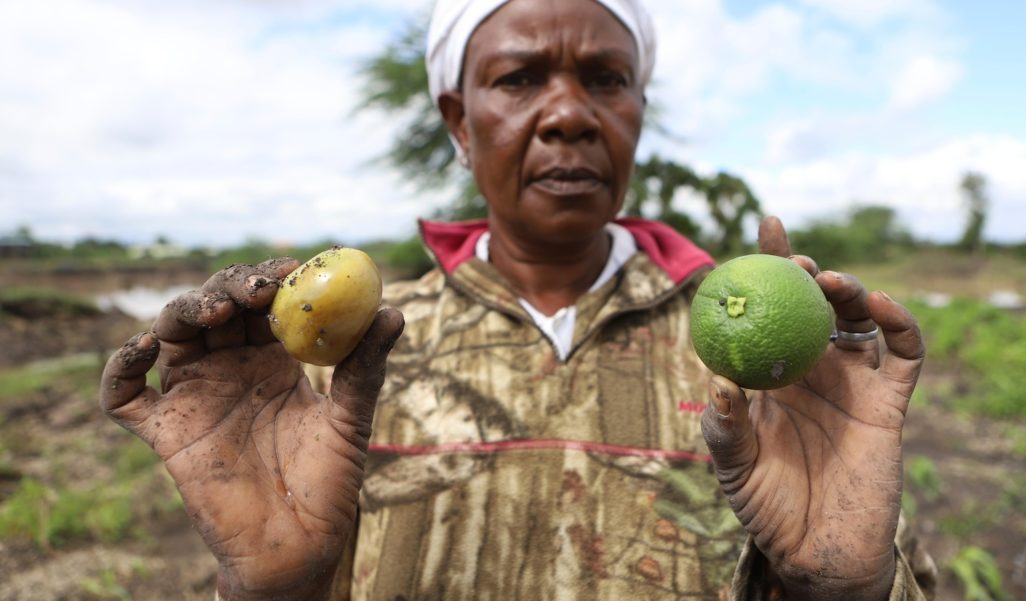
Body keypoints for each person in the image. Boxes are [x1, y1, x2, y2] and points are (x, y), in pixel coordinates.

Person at [100, 0, 937, 599]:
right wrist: (275, 588)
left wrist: (840, 586)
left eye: (606, 79)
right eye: (520, 77)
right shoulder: (345, 362)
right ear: (460, 124)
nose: (568, 114)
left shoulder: (769, 369)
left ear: (638, 113)